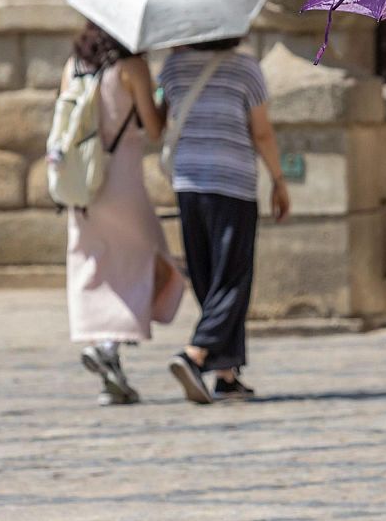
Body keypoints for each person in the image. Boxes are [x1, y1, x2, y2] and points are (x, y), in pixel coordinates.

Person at [158, 38, 290, 405]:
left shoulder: (172, 68)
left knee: (207, 275)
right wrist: (278, 180)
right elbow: (260, 131)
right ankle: (196, 352)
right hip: (231, 184)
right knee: (232, 277)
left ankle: (227, 374)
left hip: (187, 182)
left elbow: (157, 124)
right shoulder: (245, 68)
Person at [62, 22, 172, 406]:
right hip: (121, 174)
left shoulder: (75, 64)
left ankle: (106, 352)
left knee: (92, 262)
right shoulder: (132, 67)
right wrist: (163, 97)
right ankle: (109, 343)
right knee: (146, 257)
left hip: (80, 177)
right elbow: (154, 129)